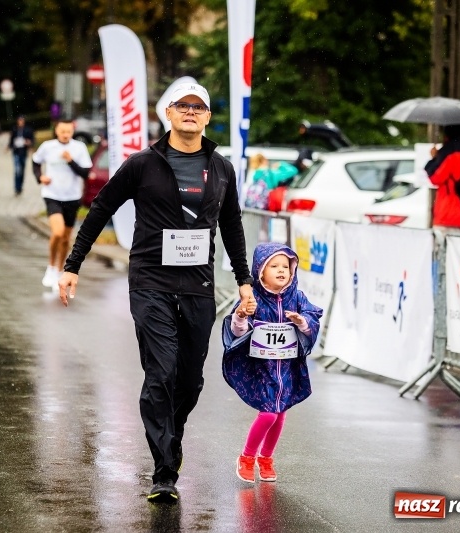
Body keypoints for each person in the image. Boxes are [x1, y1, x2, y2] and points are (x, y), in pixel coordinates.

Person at [57, 83, 255, 503]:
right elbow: (102, 207)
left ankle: (172, 436)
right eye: (182, 105)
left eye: (197, 107)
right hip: (151, 282)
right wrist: (73, 265)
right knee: (160, 372)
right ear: (168, 112)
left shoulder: (221, 168)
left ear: (206, 117)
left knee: (190, 380)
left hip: (198, 285)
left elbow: (233, 224)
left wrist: (243, 279)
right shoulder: (143, 164)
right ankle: (164, 470)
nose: (189, 112)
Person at [221, 242, 322, 484]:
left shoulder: (296, 297)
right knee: (268, 414)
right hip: (261, 367)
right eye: (273, 265)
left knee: (280, 414)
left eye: (285, 266)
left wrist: (301, 321)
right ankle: (247, 457)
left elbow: (312, 318)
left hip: (287, 367)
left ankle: (266, 458)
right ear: (260, 270)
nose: (281, 270)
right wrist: (241, 315)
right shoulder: (253, 298)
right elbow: (238, 330)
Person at [32, 120, 92, 288]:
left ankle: (60, 270)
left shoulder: (78, 148)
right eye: (62, 131)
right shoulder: (47, 146)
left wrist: (70, 161)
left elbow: (85, 172)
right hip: (52, 194)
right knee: (57, 233)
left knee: (66, 238)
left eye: (69, 131)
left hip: (72, 197)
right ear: (56, 131)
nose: (65, 134)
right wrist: (40, 177)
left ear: (72, 131)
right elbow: (36, 162)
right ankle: (51, 267)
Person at [8, 115, 35, 195]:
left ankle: (20, 186)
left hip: (23, 152)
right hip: (16, 152)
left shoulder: (28, 130)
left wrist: (28, 143)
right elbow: (11, 140)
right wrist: (10, 146)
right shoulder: (15, 129)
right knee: (17, 170)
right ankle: (17, 187)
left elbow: (32, 140)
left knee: (22, 170)